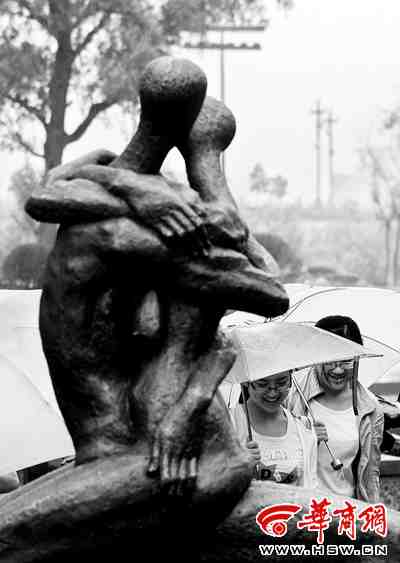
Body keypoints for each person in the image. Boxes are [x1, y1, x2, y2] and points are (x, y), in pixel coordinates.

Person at [287, 315, 384, 502]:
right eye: (330, 360)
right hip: (300, 509)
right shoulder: (291, 395)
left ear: (357, 357)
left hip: (345, 511)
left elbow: (370, 474)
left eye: (346, 360)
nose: (338, 370)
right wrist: (304, 439)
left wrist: (373, 513)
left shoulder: (370, 407)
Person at [229, 328, 319, 489]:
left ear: (291, 379)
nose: (272, 392)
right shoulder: (228, 426)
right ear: (246, 382)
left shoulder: (304, 429)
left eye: (281, 382)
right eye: (262, 384)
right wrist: (236, 467)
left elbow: (311, 489)